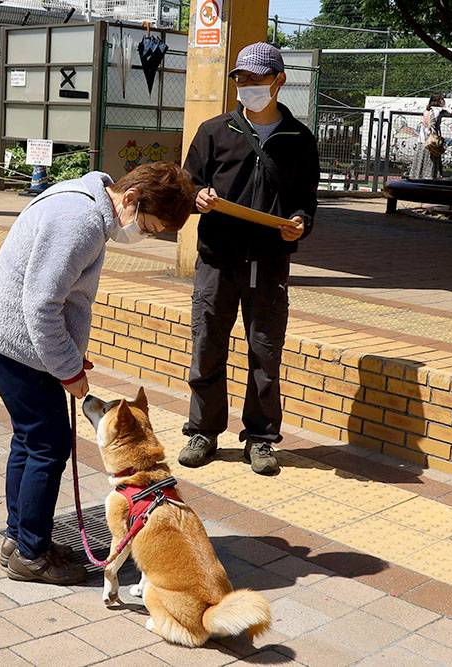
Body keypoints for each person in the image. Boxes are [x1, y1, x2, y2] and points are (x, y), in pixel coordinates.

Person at [0, 161, 196, 585]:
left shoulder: (87, 203)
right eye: (149, 227)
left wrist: (69, 357)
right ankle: (31, 555)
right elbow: (42, 306)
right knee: (49, 445)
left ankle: (22, 538)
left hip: (13, 339)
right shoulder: (81, 223)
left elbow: (54, 298)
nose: (146, 236)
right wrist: (69, 369)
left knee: (32, 438)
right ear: (129, 198)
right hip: (17, 343)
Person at [178, 42, 320, 476]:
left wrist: (299, 221)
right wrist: (196, 196)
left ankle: (260, 438)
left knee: (265, 353)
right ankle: (203, 431)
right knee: (207, 348)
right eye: (241, 78)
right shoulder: (214, 131)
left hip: (269, 262)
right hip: (216, 260)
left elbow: (306, 203)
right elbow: (189, 183)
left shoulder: (299, 139)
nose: (248, 86)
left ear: (278, 80)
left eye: (258, 79)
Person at [410, 93, 452, 179]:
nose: (443, 101)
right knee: (431, 165)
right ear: (438, 101)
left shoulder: (427, 110)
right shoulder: (439, 110)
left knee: (420, 164)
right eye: (442, 99)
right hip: (432, 141)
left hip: (422, 141)